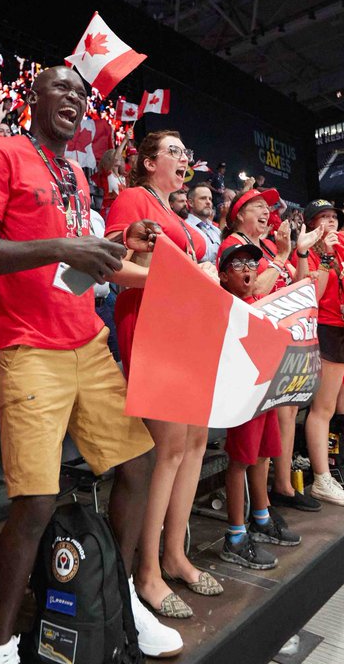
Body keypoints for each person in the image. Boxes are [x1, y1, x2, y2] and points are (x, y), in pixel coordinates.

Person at [0, 65, 180, 663]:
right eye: (62, 89)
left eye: (83, 94)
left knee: (139, 462)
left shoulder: (76, 173)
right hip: (28, 348)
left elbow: (77, 263)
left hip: (86, 339)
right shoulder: (2, 154)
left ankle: (122, 598)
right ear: (33, 97)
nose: (76, 100)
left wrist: (122, 240)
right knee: (34, 500)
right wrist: (61, 246)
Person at [105, 131, 221, 622]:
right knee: (169, 448)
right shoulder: (132, 199)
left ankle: (175, 553)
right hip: (152, 327)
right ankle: (145, 571)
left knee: (194, 443)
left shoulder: (174, 213)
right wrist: (180, 279)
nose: (184, 158)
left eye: (185, 150)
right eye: (174, 150)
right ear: (148, 161)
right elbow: (113, 267)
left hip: (187, 326)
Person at [220, 189, 323, 511]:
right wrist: (281, 257)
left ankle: (269, 500)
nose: (266, 212)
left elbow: (299, 286)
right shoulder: (233, 247)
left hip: (281, 343)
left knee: (282, 420)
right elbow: (256, 291)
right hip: (252, 352)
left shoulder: (268, 246)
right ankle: (260, 507)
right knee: (254, 442)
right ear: (238, 214)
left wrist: (300, 254)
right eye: (257, 207)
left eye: (268, 207)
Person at [216, 243, 301, 570]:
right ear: (223, 276)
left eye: (251, 263)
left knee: (264, 454)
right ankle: (235, 535)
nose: (247, 268)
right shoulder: (225, 304)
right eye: (237, 265)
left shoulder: (260, 302)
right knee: (239, 461)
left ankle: (262, 517)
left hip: (265, 392)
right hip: (242, 395)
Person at [302, 200, 344, 507]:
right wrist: (324, 256)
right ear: (312, 223)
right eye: (322, 217)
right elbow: (317, 292)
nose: (331, 221)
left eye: (333, 216)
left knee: (340, 406)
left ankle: (338, 466)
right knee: (323, 408)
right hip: (324, 328)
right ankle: (322, 479)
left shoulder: (343, 250)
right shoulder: (312, 252)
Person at [185, 182, 222, 264]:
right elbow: (202, 256)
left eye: (210, 199)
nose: (208, 202)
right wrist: (224, 245)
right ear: (190, 203)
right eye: (203, 198)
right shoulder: (184, 227)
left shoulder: (215, 229)